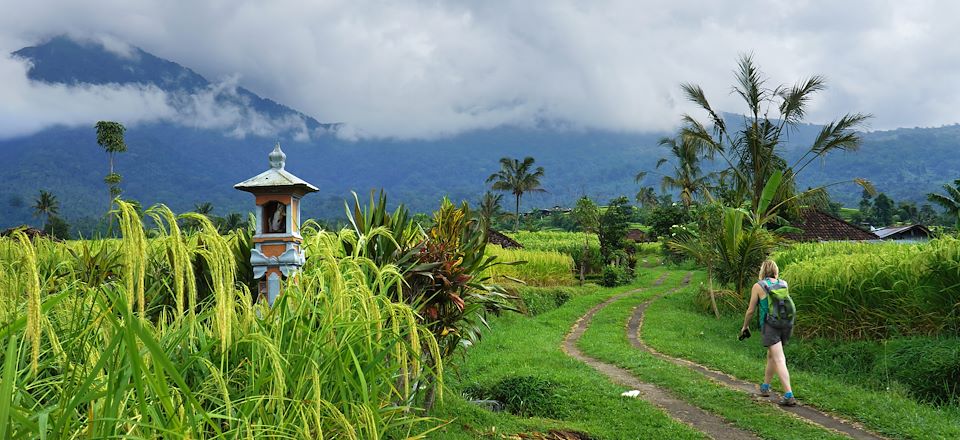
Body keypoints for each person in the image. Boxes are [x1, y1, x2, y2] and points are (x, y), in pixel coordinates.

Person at [741, 259, 797, 406]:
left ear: (762, 271)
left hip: (770, 325)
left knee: (779, 358)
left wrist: (745, 326)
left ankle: (788, 394)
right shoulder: (783, 283)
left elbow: (751, 310)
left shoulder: (758, 286)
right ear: (776, 270)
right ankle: (765, 387)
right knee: (772, 355)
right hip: (786, 324)